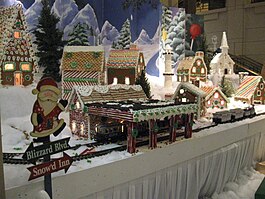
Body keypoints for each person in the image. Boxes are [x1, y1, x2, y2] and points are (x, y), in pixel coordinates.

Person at [30, 77, 67, 142]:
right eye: (46, 92)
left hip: (52, 125)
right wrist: (36, 120)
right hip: (41, 127)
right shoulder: (38, 105)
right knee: (43, 137)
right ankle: (41, 142)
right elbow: (35, 115)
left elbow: (57, 110)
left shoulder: (53, 105)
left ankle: (55, 132)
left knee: (60, 124)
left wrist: (62, 105)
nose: (49, 95)